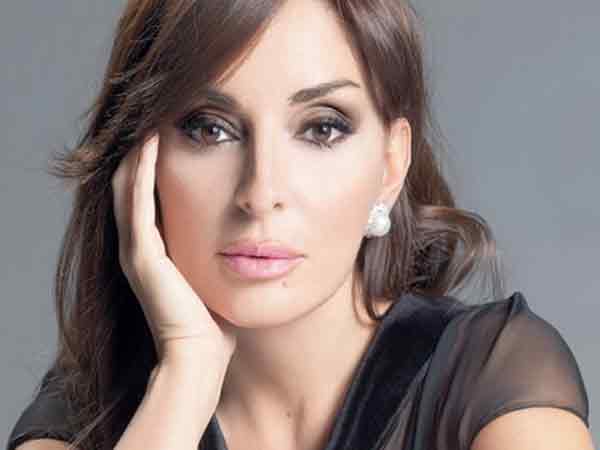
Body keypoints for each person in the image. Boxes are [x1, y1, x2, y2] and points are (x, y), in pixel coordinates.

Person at [6, 1, 593, 449]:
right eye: (210, 128)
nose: (261, 194)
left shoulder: (493, 378)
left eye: (321, 128)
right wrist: (186, 377)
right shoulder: (85, 417)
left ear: (390, 166)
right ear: (140, 162)